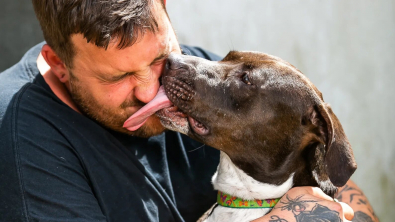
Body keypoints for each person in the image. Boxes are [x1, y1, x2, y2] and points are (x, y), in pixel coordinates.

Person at [0, 0, 378, 221]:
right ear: (60, 63)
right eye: (120, 76)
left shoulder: (200, 76)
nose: (153, 89)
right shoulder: (23, 140)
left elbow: (345, 194)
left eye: (159, 58)